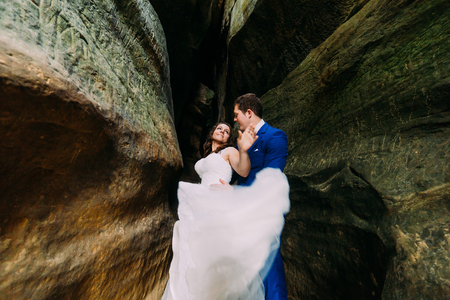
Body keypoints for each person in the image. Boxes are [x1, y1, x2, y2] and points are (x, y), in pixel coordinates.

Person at [162, 121, 290, 300]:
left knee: (215, 254)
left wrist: (244, 150)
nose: (222, 131)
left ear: (229, 138)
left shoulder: (230, 152)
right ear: (212, 132)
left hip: (218, 203)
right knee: (195, 253)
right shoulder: (207, 155)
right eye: (219, 128)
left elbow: (243, 171)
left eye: (227, 131)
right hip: (201, 206)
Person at [233, 93, 289, 300]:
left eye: (236, 114)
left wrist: (234, 191)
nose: (234, 119)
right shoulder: (240, 140)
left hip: (265, 209)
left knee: (269, 263)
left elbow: (271, 176)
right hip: (242, 210)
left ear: (249, 113)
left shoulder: (275, 136)